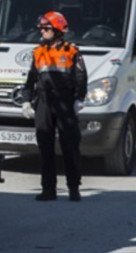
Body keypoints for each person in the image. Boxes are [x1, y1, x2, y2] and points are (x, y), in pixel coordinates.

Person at [21, 11, 88, 202]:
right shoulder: (38, 52)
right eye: (41, 28)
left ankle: (74, 187)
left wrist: (79, 99)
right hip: (44, 102)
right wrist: (26, 100)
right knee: (45, 146)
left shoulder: (72, 51)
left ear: (58, 30)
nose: (42, 31)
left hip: (65, 102)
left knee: (70, 145)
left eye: (46, 28)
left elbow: (81, 78)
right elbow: (31, 80)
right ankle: (48, 189)